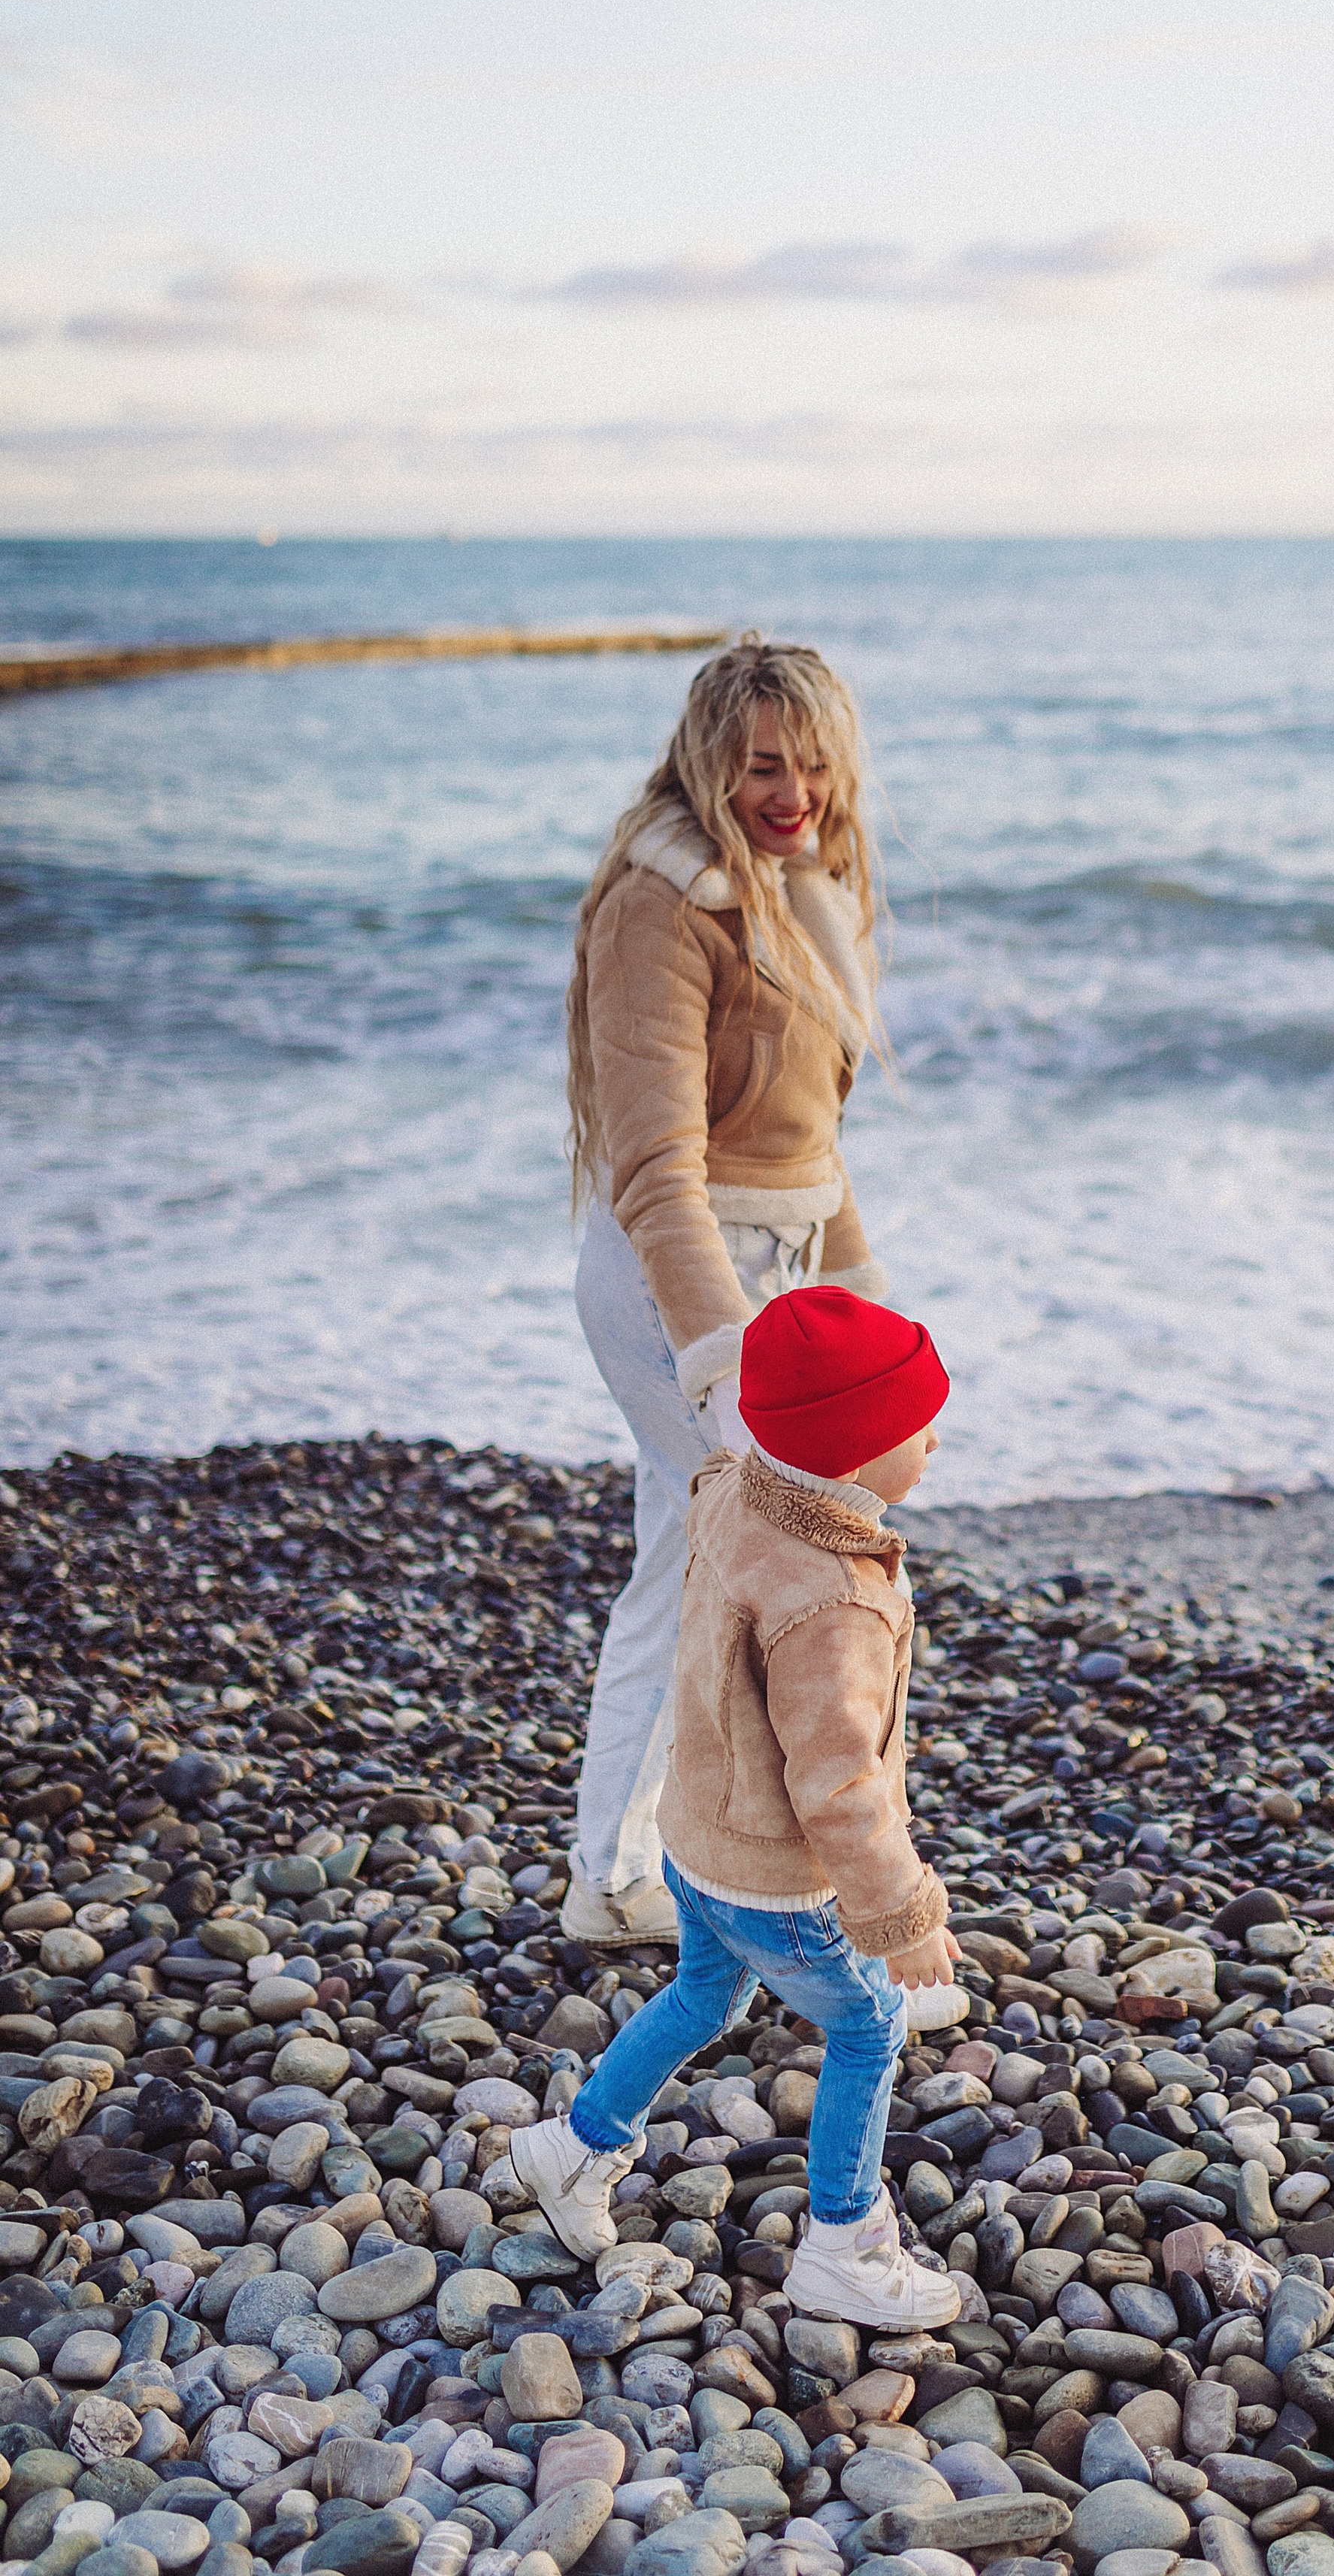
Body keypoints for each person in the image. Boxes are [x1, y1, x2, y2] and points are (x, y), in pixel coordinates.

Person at [512, 1285, 965, 2329]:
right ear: (855, 1452)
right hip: (775, 1878)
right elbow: (839, 1784)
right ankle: (844, 2245)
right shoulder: (834, 1600)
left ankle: (574, 2146)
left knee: (704, 2000)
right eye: (917, 1425)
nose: (935, 1439)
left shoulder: (730, 1489)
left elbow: (742, 1426)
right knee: (870, 2027)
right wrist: (903, 1923)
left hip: (695, 1837)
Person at [563, 638, 891, 1945]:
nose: (793, 791)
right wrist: (718, 1356)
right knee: (707, 1565)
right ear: (709, 764)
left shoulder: (798, 891)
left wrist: (870, 1301)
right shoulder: (665, 904)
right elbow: (654, 1168)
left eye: (813, 764)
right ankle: (641, 1873)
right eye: (763, 767)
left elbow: (812, 1136)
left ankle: (663, 1868)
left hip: (782, 1268)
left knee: (706, 1564)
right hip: (679, 1276)